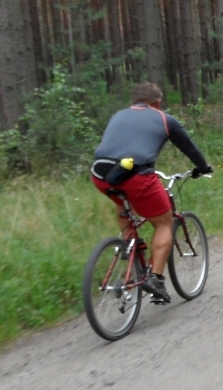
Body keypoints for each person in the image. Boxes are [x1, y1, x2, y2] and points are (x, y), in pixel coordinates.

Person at [91, 82, 213, 304]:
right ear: (158, 103)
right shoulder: (164, 118)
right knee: (164, 223)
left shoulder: (118, 115)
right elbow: (190, 148)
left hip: (101, 174)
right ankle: (155, 278)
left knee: (121, 197)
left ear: (133, 102)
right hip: (137, 176)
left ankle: (130, 245)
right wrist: (203, 167)